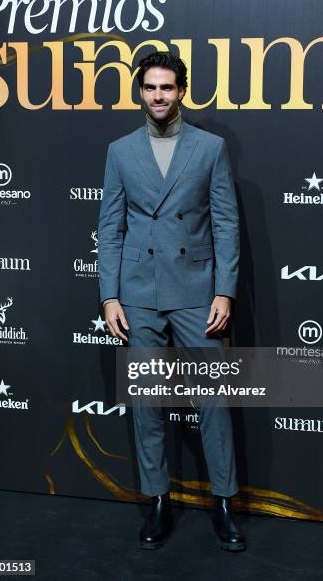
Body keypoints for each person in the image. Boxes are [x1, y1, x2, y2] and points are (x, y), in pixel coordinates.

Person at [98, 50, 245, 552]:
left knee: (213, 401)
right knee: (146, 403)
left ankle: (224, 501)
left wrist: (224, 289)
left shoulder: (210, 148)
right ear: (140, 91)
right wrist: (109, 295)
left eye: (167, 87)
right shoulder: (120, 151)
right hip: (138, 294)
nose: (158, 96)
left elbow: (225, 222)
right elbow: (110, 227)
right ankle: (158, 499)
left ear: (181, 90)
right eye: (149, 87)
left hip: (196, 292)